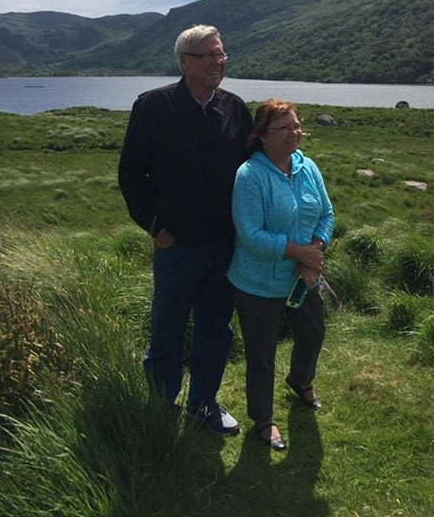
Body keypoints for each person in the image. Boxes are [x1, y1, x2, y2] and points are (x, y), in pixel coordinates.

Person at [118, 25, 253, 436]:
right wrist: (155, 226)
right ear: (184, 62)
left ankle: (202, 405)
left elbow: (252, 170)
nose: (218, 62)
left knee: (216, 329)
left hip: (224, 244)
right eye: (208, 55)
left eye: (222, 54)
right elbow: (130, 173)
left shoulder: (234, 108)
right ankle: (160, 407)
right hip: (175, 245)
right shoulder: (154, 106)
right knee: (167, 330)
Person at [227, 99, 334, 451]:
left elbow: (326, 214)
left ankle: (300, 381)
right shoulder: (250, 176)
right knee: (261, 352)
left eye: (297, 125)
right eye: (285, 128)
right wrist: (298, 251)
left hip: (302, 276)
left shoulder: (308, 168)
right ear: (262, 136)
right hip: (257, 281)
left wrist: (311, 254)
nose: (295, 133)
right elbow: (251, 235)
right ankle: (263, 419)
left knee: (313, 330)